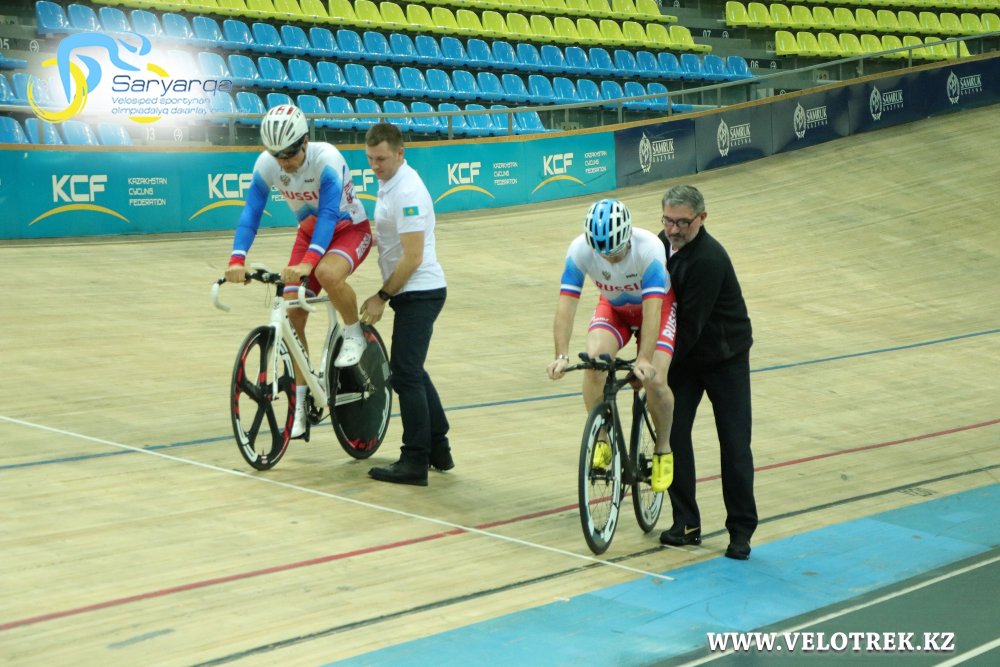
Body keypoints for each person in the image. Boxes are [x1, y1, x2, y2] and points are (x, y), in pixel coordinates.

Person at [224, 104, 372, 439]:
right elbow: (251, 212)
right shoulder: (267, 164)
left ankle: (354, 334)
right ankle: (302, 402)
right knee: (293, 312)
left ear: (305, 141)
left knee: (329, 274)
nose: (283, 162)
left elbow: (330, 214)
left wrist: (309, 263)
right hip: (309, 234)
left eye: (289, 154)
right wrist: (236, 259)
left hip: (349, 230)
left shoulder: (327, 158)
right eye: (276, 155)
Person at [547, 198, 677, 493]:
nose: (610, 259)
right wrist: (561, 355)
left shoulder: (650, 249)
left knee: (655, 380)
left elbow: (653, 311)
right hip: (615, 309)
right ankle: (602, 439)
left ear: (628, 236)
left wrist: (643, 359)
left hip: (655, 309)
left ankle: (663, 448)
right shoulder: (579, 250)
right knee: (594, 362)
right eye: (602, 254)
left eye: (616, 252)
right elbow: (566, 305)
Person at [656, 184, 757, 561]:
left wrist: (655, 368)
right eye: (668, 220)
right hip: (686, 357)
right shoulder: (659, 246)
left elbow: (690, 327)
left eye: (683, 222)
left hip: (724, 358)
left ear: (702, 218)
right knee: (673, 433)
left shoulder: (709, 259)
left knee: (734, 443)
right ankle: (686, 522)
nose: (674, 229)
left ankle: (741, 531)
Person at [360, 122, 451, 487]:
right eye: (370, 159)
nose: (374, 166)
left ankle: (415, 460)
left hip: (419, 291)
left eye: (381, 159)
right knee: (411, 369)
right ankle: (438, 446)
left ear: (400, 153)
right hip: (413, 291)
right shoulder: (391, 182)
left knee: (405, 374)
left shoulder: (407, 190)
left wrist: (381, 296)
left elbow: (413, 257)